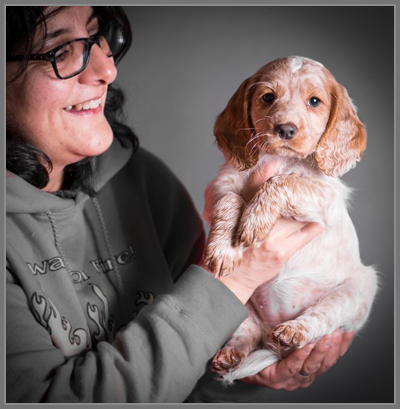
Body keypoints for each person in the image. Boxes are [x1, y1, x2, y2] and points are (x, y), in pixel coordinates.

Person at [6, 6, 354, 403]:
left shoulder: (140, 177)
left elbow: (196, 363)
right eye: (60, 50)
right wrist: (234, 281)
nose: (106, 69)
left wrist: (243, 369)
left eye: (97, 38)